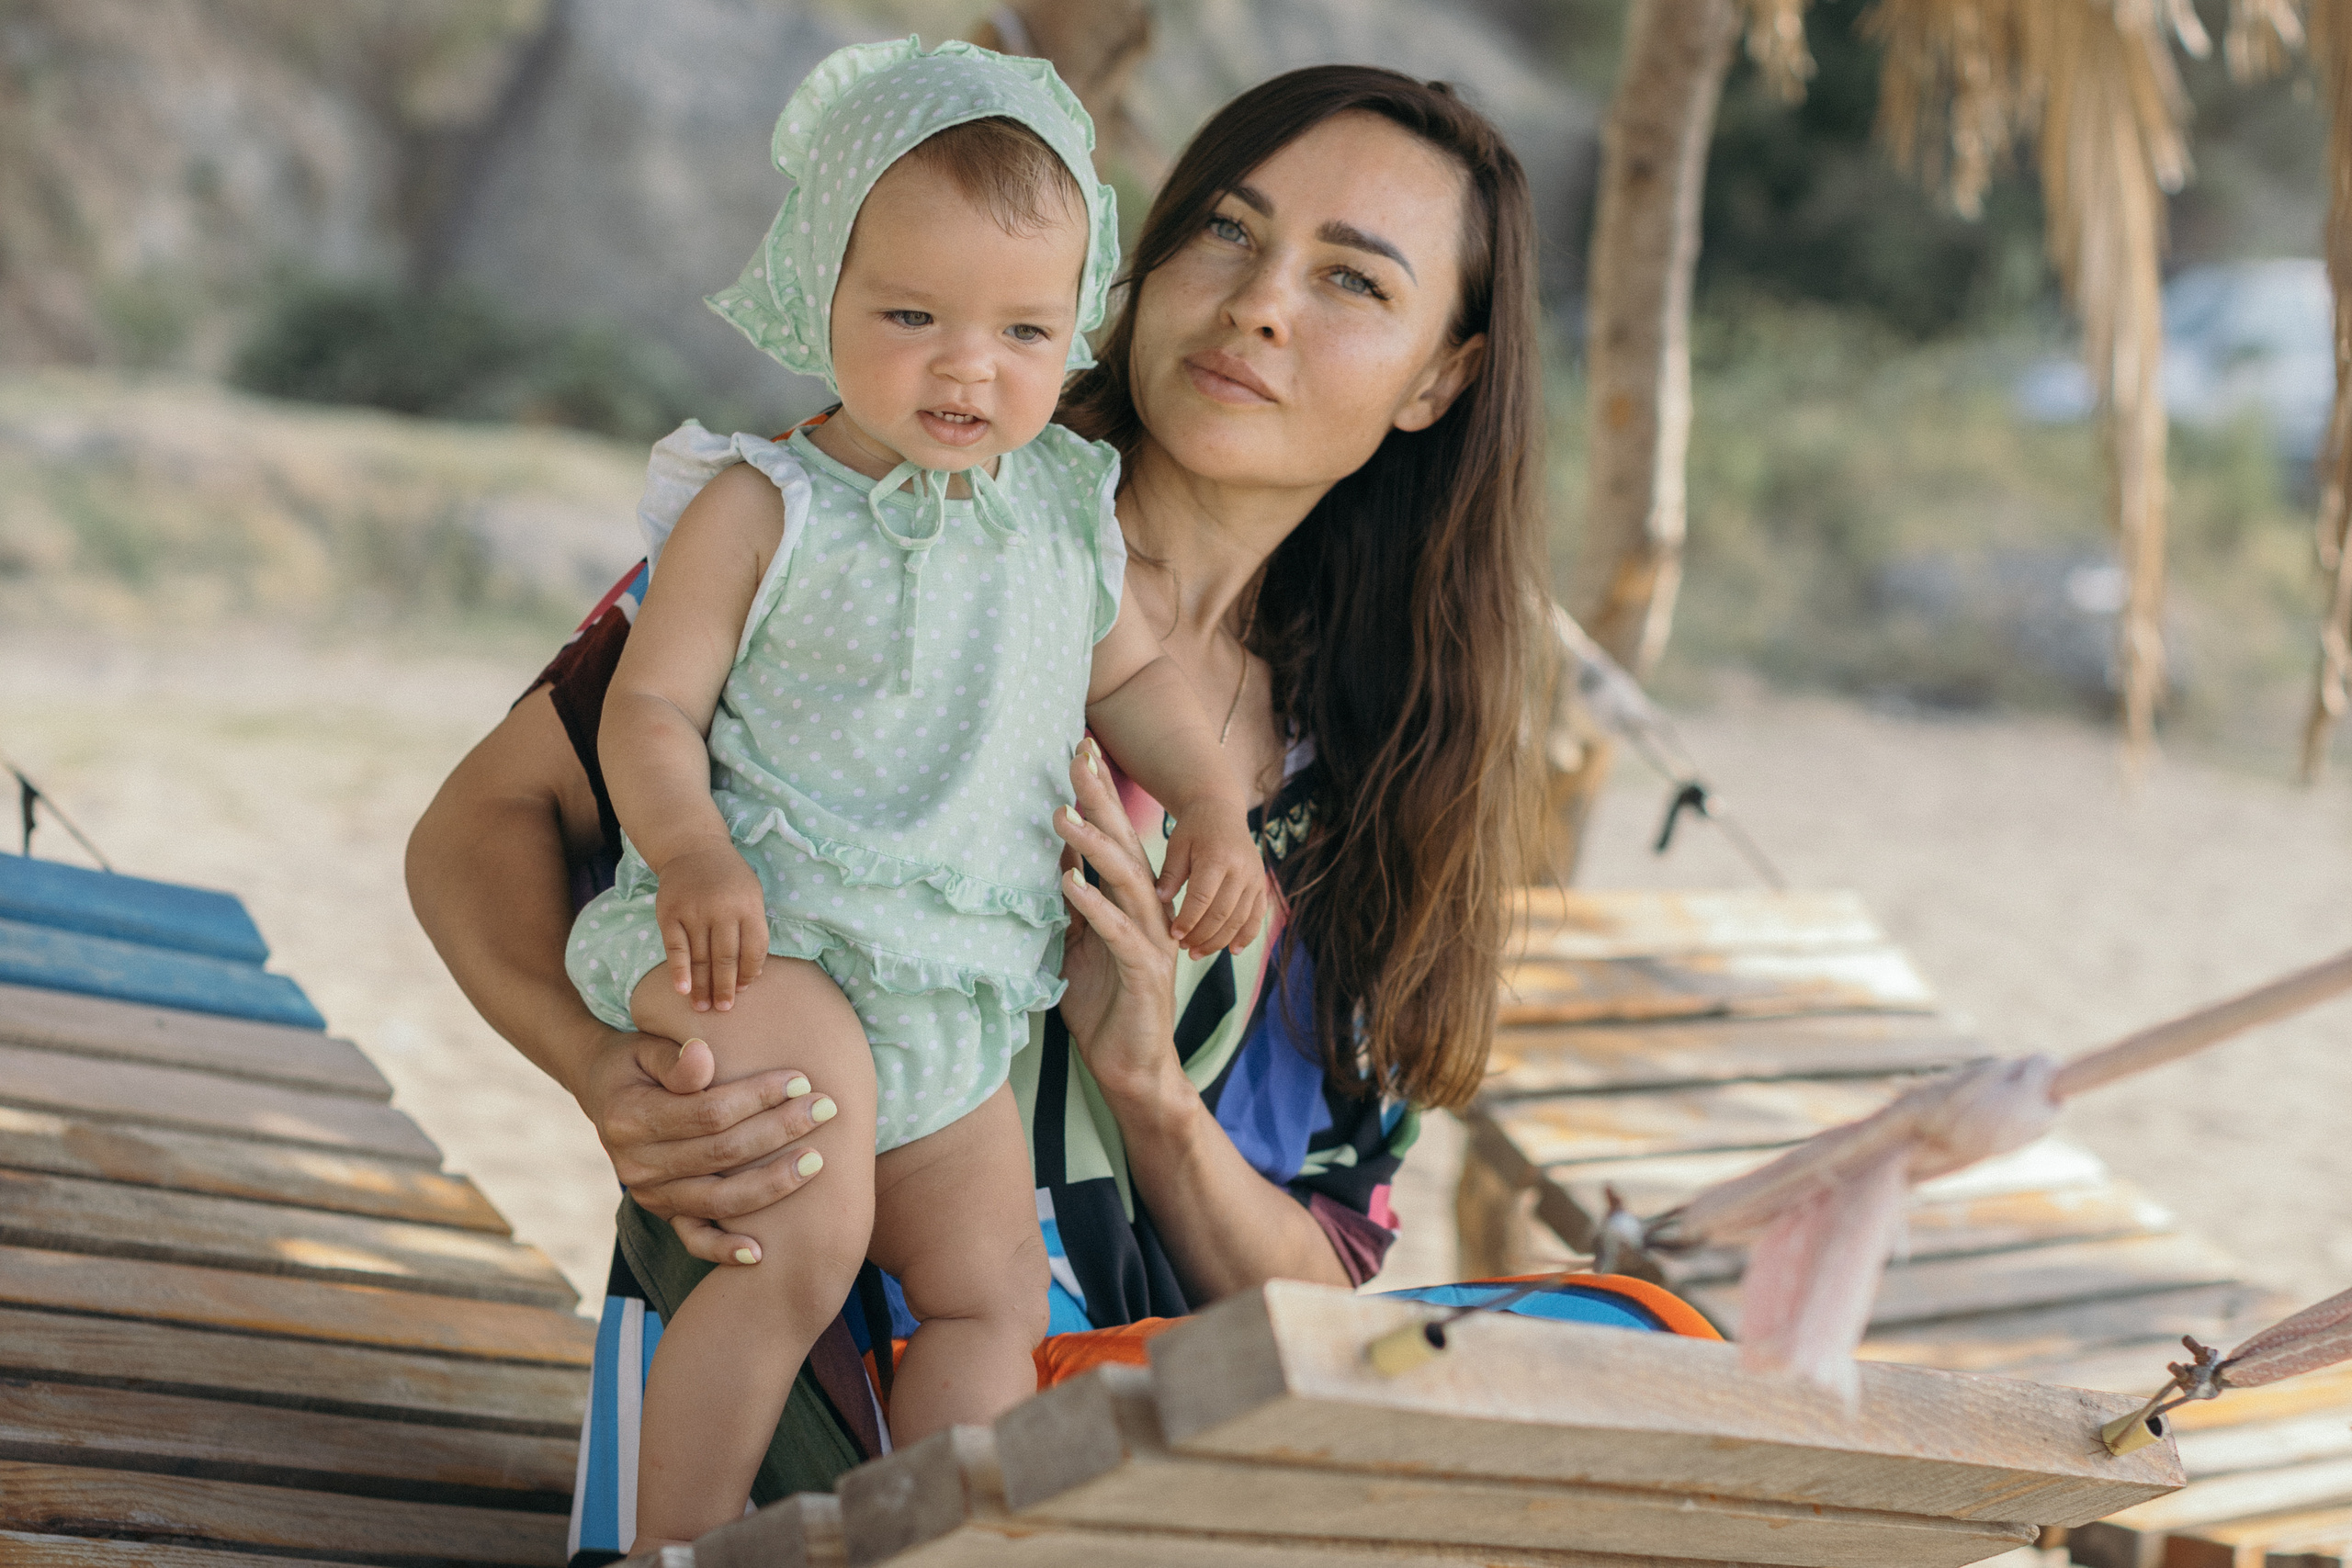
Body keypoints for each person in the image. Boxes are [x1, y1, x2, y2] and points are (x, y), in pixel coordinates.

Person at [412, 62, 1705, 1565]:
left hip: (1123, 1482)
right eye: (1226, 232)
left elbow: (1320, 1267)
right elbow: (476, 830)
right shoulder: (869, 526)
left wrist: (1149, 1081)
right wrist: (595, 1072)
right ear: (1134, 269)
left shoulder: (1372, 781)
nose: (1260, 303)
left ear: (1440, 378)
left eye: (1351, 278)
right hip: (776, 1379)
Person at [560, 39, 1266, 1545]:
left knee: (991, 1295)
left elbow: (1135, 684)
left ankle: (915, 1548)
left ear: (1072, 330)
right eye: (910, 316)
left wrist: (1209, 802)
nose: (968, 367)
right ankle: (661, 1546)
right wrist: (689, 855)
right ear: (821, 289)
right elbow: (654, 705)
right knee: (803, 1250)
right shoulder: (763, 506)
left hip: (952, 991)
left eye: (1022, 329)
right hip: (767, 939)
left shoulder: (1068, 511)